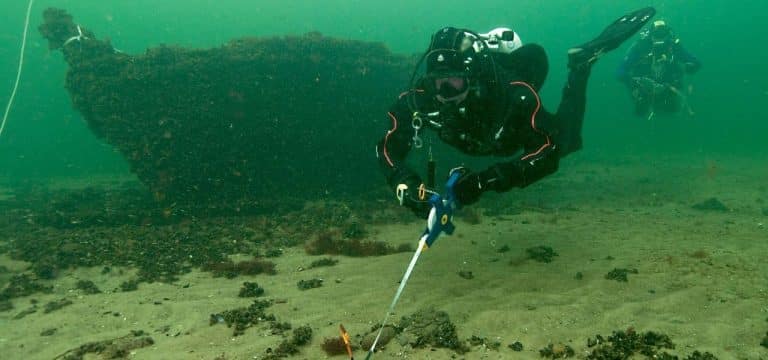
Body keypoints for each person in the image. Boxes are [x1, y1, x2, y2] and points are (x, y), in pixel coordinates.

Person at [375, 8, 655, 216]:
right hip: (481, 140)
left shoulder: (515, 95)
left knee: (567, 141)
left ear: (470, 79)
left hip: (508, 133)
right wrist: (406, 186)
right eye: (436, 84)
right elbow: (388, 148)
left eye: (454, 83)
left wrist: (487, 181)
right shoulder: (421, 101)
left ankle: (580, 65)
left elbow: (548, 149)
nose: (443, 95)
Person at [617, 20, 702, 118]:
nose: (660, 37)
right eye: (657, 33)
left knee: (672, 112)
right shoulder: (640, 47)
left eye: (663, 33)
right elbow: (620, 70)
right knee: (641, 112)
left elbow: (696, 63)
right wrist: (633, 83)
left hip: (668, 89)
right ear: (650, 34)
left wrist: (690, 67)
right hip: (644, 90)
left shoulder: (673, 46)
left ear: (668, 33)